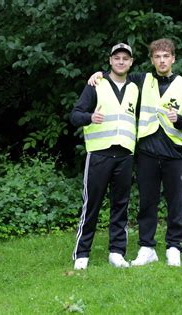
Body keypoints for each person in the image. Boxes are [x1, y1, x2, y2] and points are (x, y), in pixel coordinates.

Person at [88, 38, 182, 267]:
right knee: (147, 202)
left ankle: (174, 247)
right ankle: (147, 248)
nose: (162, 60)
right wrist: (98, 74)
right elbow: (117, 74)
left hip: (175, 153)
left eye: (166, 56)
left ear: (173, 59)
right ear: (152, 60)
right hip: (147, 152)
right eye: (157, 56)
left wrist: (179, 120)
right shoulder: (142, 80)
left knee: (175, 203)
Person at [70, 43, 139, 270]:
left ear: (131, 62)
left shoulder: (135, 86)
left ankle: (117, 252)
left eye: (125, 59)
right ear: (110, 60)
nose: (121, 62)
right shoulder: (96, 84)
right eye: (117, 58)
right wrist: (90, 117)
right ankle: (82, 254)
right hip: (99, 153)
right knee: (92, 205)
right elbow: (75, 115)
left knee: (121, 205)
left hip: (125, 155)